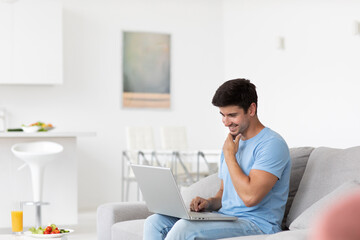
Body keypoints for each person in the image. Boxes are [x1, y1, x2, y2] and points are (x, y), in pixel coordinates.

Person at [143, 78, 291, 240]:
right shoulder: (232, 143)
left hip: (257, 224)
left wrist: (229, 156)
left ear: (251, 109)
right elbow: (223, 194)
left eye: (232, 115)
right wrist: (208, 203)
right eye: (222, 115)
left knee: (185, 229)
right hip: (227, 217)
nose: (226, 122)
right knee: (154, 222)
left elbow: (250, 198)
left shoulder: (272, 144)